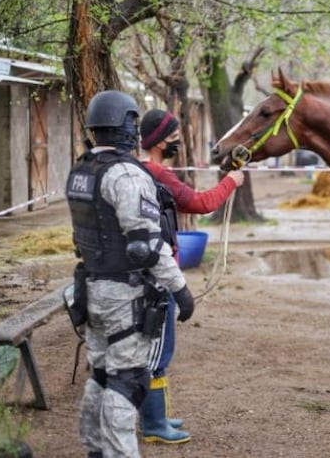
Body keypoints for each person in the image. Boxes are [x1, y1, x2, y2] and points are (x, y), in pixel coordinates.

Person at [65, 91, 194, 458]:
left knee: (102, 375)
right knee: (127, 380)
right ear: (125, 127)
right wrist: (180, 288)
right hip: (124, 294)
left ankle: (95, 449)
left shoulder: (81, 170)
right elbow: (144, 246)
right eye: (133, 124)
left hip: (91, 288)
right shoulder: (125, 175)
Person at [136, 108, 244, 444]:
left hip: (145, 275)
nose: (176, 143)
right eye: (172, 137)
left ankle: (158, 416)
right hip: (158, 277)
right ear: (157, 141)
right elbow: (199, 202)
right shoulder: (157, 174)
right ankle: (154, 425)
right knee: (158, 353)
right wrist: (231, 182)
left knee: (156, 351)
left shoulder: (140, 171)